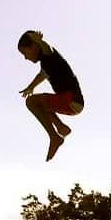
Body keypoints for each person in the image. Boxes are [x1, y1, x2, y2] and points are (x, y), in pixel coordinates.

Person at [17, 30, 84, 161]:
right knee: (36, 103)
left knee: (32, 102)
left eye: (25, 53)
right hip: (71, 103)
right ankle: (60, 128)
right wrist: (31, 87)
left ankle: (55, 135)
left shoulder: (50, 54)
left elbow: (47, 48)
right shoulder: (46, 63)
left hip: (70, 99)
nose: (25, 57)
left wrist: (38, 40)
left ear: (34, 46)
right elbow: (41, 75)